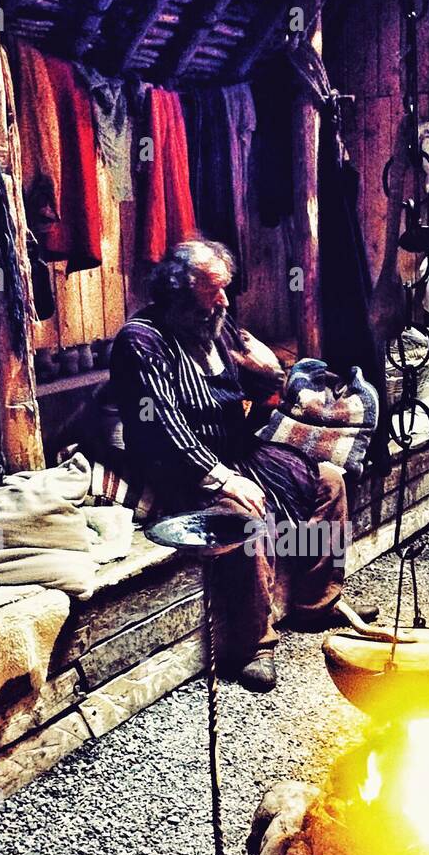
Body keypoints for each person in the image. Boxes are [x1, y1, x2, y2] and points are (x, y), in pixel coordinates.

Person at [108, 239, 370, 692]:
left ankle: (315, 602)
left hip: (238, 451)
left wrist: (273, 376)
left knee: (328, 481)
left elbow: (263, 393)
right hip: (180, 468)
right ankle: (253, 645)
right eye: (214, 293)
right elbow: (163, 429)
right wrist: (225, 479)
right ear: (178, 294)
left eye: (226, 290)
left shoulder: (220, 329)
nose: (225, 302)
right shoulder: (142, 341)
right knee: (243, 518)